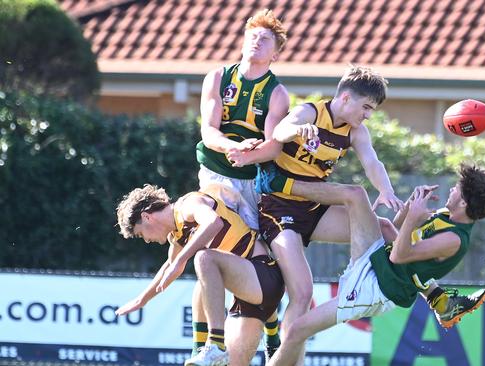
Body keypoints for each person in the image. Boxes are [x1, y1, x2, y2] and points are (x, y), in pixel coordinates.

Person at [229, 65, 404, 363]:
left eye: (371, 110)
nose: (368, 115)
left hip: (314, 207)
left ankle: (421, 291)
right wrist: (298, 130)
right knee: (302, 293)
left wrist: (386, 190)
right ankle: (284, 359)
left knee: (384, 228)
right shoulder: (311, 113)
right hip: (279, 209)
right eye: (366, 107)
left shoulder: (356, 132)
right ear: (346, 98)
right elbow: (281, 131)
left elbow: (372, 163)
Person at [263, 164, 485, 365]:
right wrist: (411, 206)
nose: (451, 188)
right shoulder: (444, 215)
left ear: (463, 204)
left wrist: (415, 218)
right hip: (376, 263)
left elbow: (399, 255)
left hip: (376, 290)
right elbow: (395, 230)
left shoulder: (453, 239)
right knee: (356, 196)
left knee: (295, 331)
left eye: (457, 189)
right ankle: (441, 302)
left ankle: (280, 185)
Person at [193, 8, 290, 358]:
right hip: (214, 176)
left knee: (255, 257)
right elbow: (208, 130)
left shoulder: (277, 94)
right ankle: (203, 346)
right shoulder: (218, 77)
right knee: (204, 252)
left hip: (250, 183)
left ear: (275, 53)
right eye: (252, 35)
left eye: (264, 39)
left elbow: (273, 146)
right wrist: (235, 148)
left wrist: (250, 155)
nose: (256, 41)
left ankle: (272, 326)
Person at [114, 184, 284, 366]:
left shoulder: (188, 205)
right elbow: (169, 268)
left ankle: (213, 344)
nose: (147, 240)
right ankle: (272, 333)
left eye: (142, 234)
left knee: (204, 260)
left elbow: (214, 222)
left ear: (146, 216)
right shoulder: (177, 234)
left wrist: (181, 259)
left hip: (263, 276)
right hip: (248, 294)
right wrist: (142, 300)